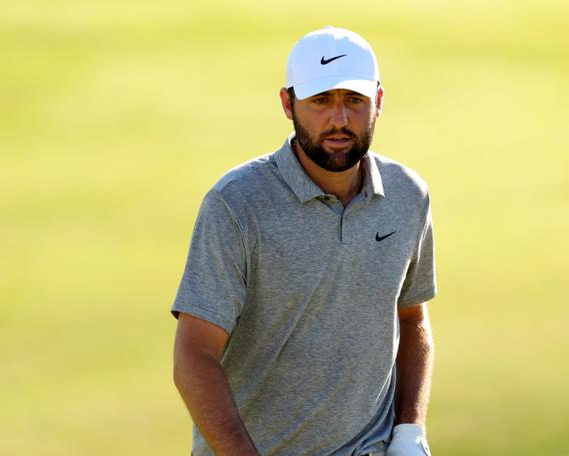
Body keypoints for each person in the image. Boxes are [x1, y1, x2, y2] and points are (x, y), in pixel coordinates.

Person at [171, 26, 436, 456]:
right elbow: (193, 356)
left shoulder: (407, 196)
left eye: (354, 100)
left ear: (379, 102)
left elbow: (412, 318)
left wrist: (410, 429)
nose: (339, 120)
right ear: (287, 103)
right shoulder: (236, 205)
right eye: (320, 101)